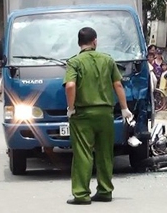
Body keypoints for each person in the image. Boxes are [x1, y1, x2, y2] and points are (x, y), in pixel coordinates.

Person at [63, 27, 134, 205]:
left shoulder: (74, 62)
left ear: (79, 43)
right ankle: (104, 191)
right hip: (105, 114)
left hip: (83, 114)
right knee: (105, 153)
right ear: (95, 41)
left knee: (83, 153)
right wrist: (124, 108)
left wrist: (71, 108)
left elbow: (70, 86)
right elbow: (118, 85)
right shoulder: (107, 60)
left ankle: (81, 194)